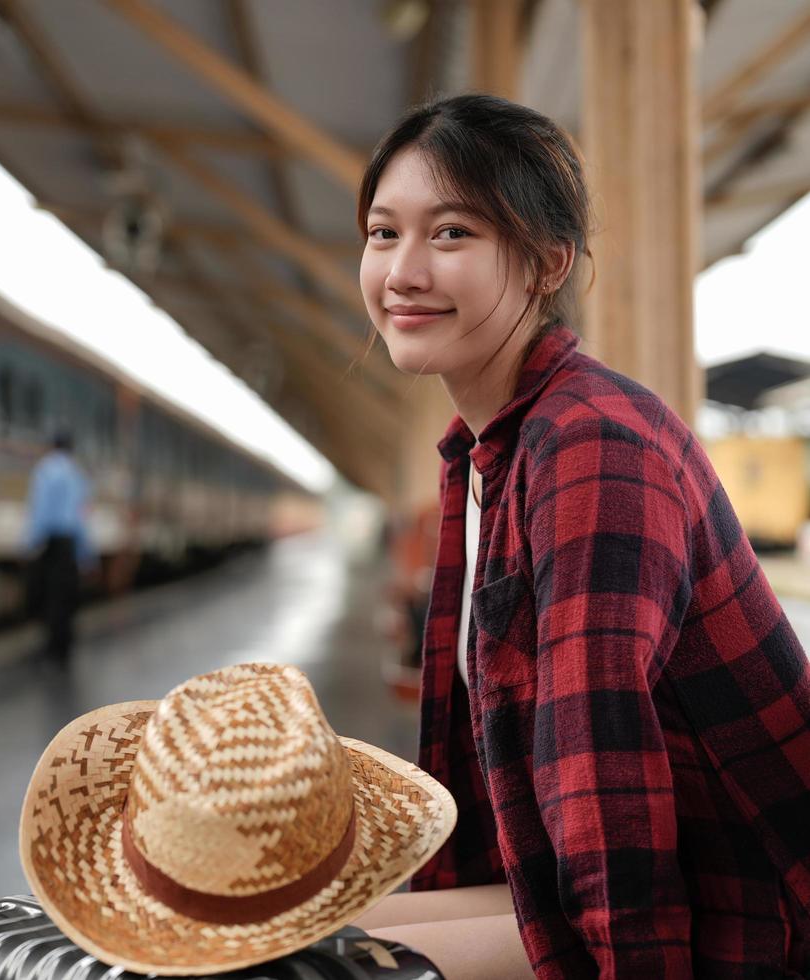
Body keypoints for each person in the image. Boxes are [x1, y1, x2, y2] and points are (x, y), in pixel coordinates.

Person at [346, 93, 810, 979]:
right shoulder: (485, 454)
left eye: (450, 234)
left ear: (546, 262)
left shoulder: (590, 443)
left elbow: (603, 777)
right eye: (381, 232)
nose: (402, 271)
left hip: (747, 909)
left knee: (307, 966)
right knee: (264, 943)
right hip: (599, 882)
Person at [24, 429, 95, 669]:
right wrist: (86, 554)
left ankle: (52, 650)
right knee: (67, 597)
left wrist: (30, 543)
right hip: (71, 543)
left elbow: (40, 510)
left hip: (52, 542)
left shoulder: (46, 469)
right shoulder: (77, 474)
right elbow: (82, 517)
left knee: (49, 596)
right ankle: (65, 649)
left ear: (52, 446)